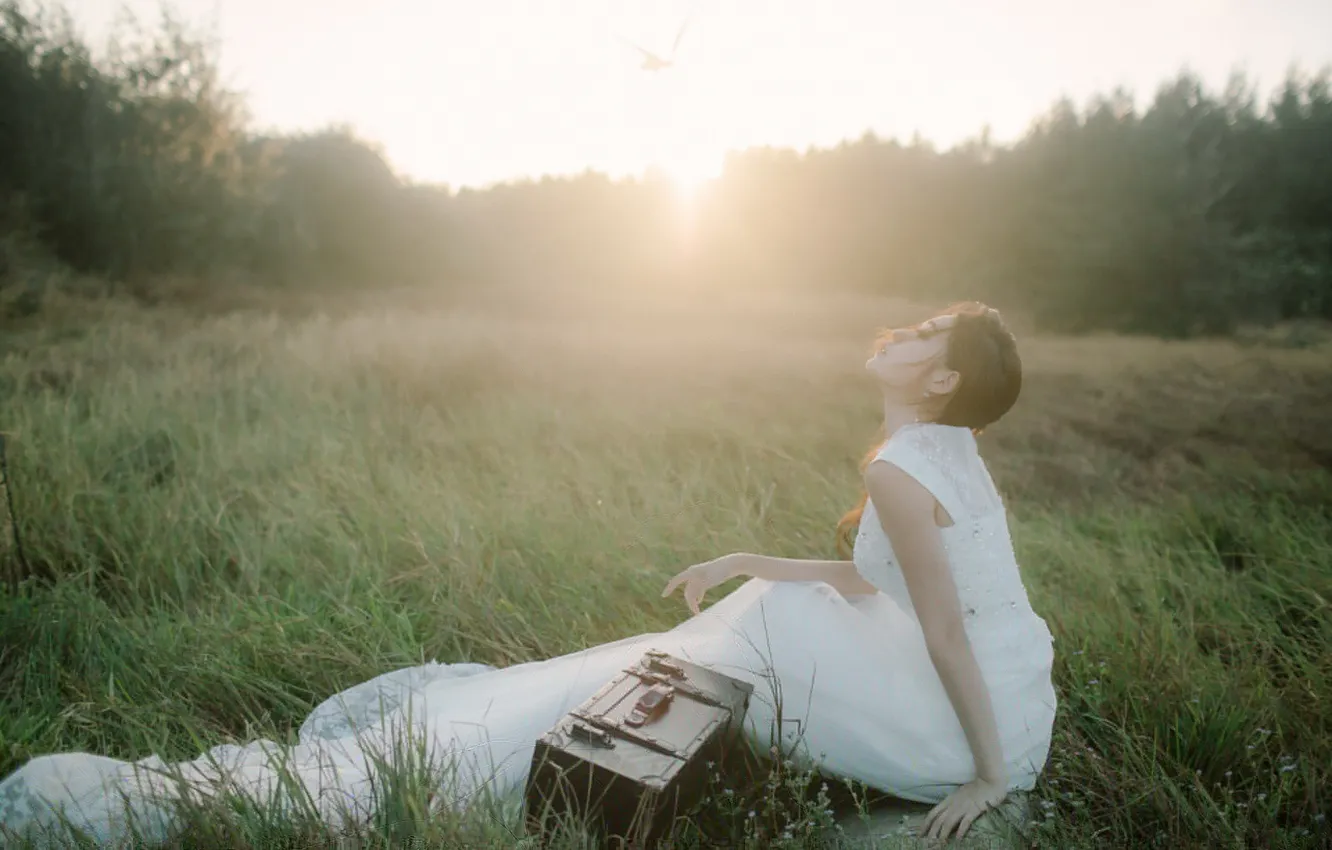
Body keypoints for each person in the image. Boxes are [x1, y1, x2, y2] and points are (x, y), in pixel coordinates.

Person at [0, 301, 1056, 846]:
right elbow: (888, 584)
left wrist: (987, 777)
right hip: (992, 683)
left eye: (926, 333)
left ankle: (492, 755)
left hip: (955, 717)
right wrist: (746, 555)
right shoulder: (935, 455)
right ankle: (582, 715)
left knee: (751, 630)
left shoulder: (907, 467)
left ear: (945, 376)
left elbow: (943, 629)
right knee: (765, 601)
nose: (901, 330)